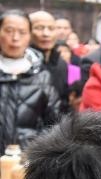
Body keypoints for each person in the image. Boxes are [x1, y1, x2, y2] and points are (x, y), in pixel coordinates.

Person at [0, 9, 61, 150]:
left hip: (26, 160)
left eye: (22, 32)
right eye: (9, 31)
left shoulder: (42, 75)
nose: (15, 38)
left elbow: (54, 123)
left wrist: (35, 152)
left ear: (29, 36)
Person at [28, 10, 69, 112]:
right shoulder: (21, 63)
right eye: (39, 28)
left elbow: (64, 101)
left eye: (51, 28)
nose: (46, 34)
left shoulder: (61, 64)